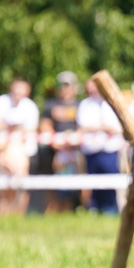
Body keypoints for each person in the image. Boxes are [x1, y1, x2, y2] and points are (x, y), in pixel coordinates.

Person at [0, 79, 40, 215]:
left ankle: (19, 215)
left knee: (22, 187)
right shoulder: (1, 102)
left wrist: (8, 127)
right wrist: (11, 128)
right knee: (5, 186)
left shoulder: (30, 107)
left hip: (24, 151)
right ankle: (4, 214)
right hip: (4, 150)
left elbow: (30, 130)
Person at [77, 78, 124, 214]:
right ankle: (95, 209)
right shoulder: (85, 104)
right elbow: (82, 127)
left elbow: (115, 128)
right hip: (91, 150)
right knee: (93, 183)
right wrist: (102, 128)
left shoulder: (112, 103)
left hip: (109, 150)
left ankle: (110, 210)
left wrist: (95, 128)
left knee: (110, 182)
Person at [39, 71, 82, 212]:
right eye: (60, 85)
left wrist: (71, 143)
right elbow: (45, 125)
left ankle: (71, 212)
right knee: (53, 185)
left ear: (74, 87)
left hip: (74, 151)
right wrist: (56, 143)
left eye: (67, 85)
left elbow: (83, 128)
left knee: (73, 188)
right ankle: (51, 212)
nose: (63, 89)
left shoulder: (81, 105)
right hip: (54, 151)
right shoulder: (50, 105)